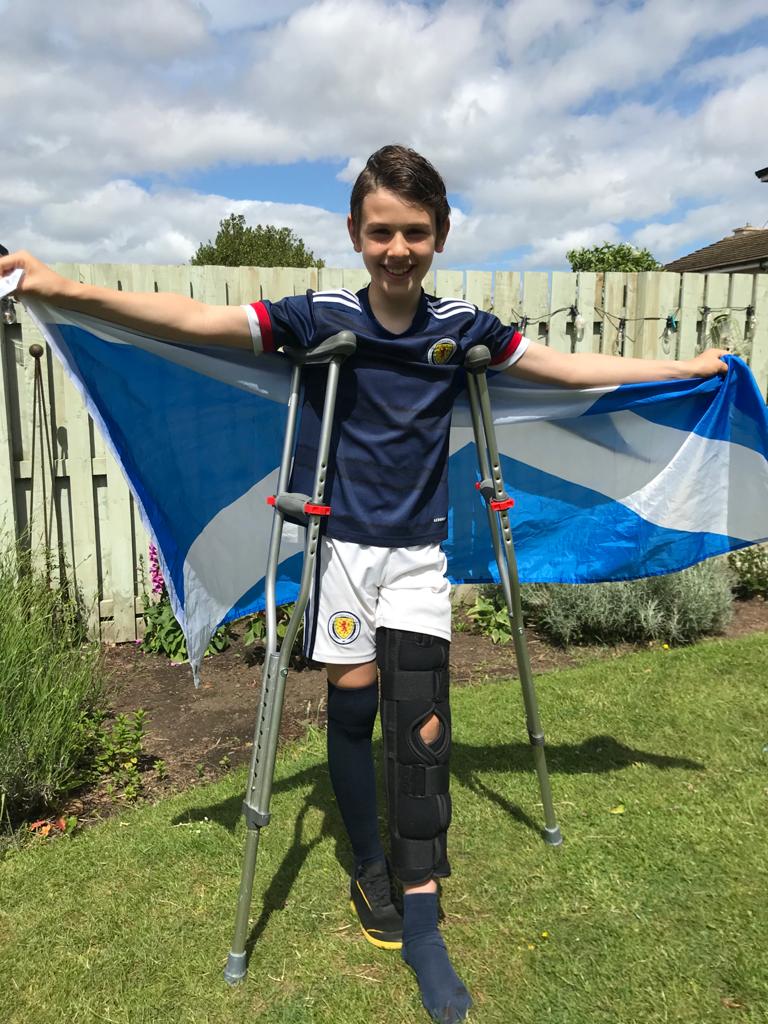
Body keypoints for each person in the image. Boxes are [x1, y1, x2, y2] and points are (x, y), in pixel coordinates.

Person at [0, 144, 727, 1023]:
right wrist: (60, 288)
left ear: (440, 234)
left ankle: (421, 915)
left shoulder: (464, 327)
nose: (397, 249)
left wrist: (676, 370)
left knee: (419, 720)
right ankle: (370, 866)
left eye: (415, 233)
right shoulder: (320, 315)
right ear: (355, 232)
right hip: (338, 551)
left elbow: (561, 368)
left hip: (418, 555)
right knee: (352, 706)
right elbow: (194, 320)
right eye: (381, 232)